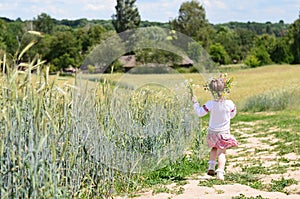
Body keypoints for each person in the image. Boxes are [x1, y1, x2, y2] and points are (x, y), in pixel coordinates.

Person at [191, 74, 238, 180]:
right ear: (226, 90)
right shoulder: (229, 103)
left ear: (211, 91)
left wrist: (195, 103)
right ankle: (220, 172)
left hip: (212, 132)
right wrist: (227, 117)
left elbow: (199, 113)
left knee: (213, 148)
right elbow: (233, 114)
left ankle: (211, 167)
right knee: (222, 152)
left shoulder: (210, 104)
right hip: (224, 132)